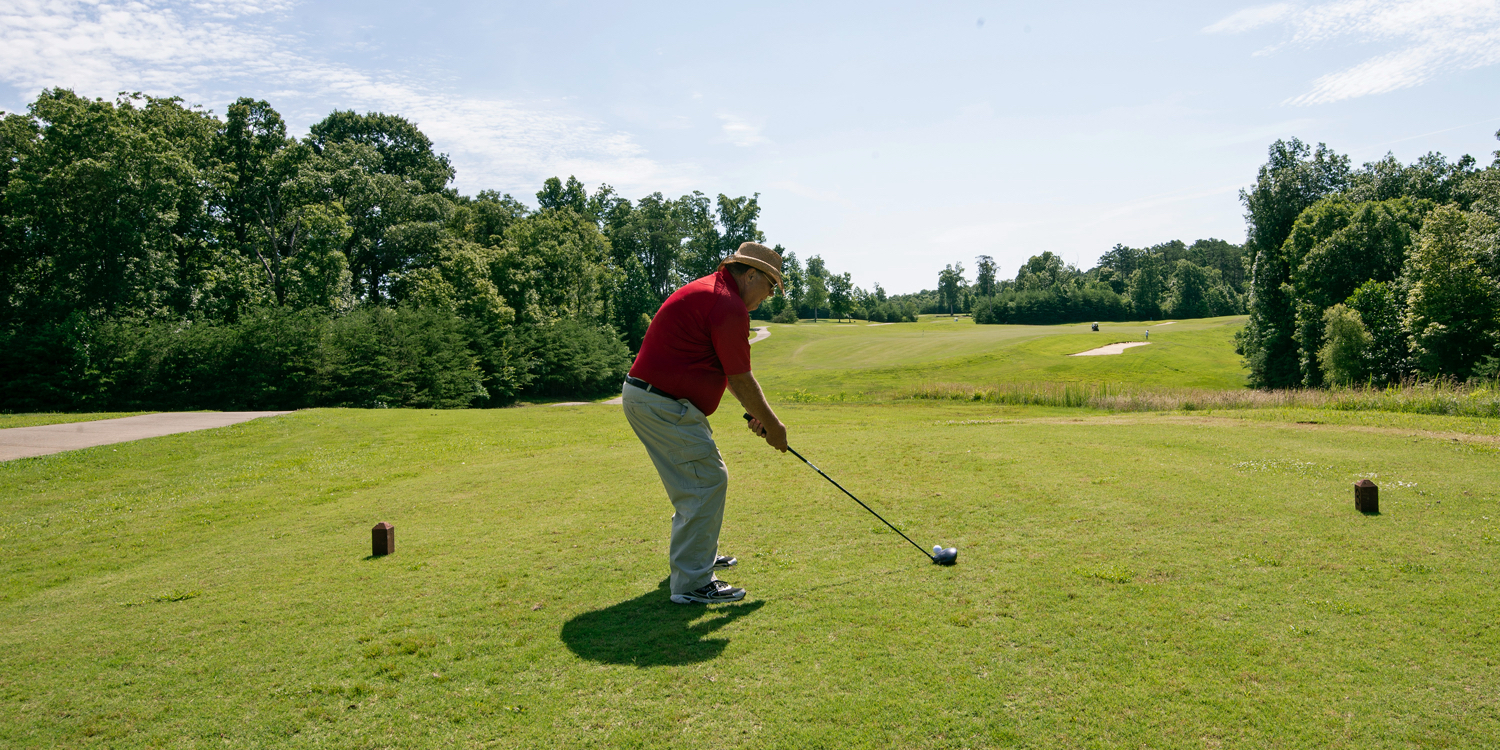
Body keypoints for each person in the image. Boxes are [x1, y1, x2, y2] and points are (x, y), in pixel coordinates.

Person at [622, 242, 788, 604]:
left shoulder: (717, 294)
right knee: (705, 481)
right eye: (771, 285)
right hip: (661, 403)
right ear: (751, 275)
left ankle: (697, 560)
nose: (770, 294)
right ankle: (693, 583)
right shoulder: (727, 305)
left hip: (656, 399)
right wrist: (775, 426)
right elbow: (741, 378)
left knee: (698, 482)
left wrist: (760, 416)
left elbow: (725, 374)